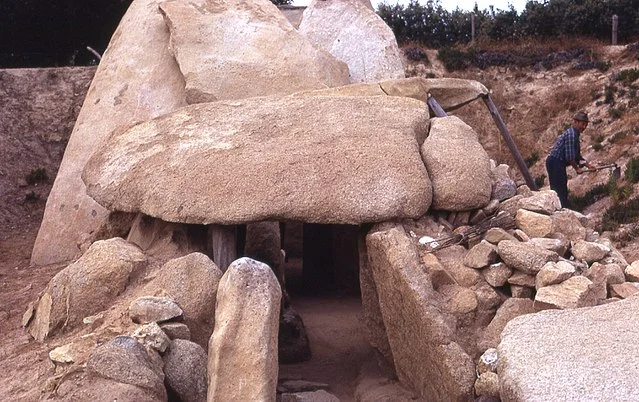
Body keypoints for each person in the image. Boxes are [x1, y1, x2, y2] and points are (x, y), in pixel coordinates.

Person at [545, 111, 595, 208]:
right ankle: (561, 210)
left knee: (561, 189)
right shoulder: (571, 135)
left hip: (557, 163)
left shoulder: (575, 135)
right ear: (575, 122)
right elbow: (570, 157)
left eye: (586, 124)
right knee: (559, 190)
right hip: (555, 162)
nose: (584, 127)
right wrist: (577, 169)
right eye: (582, 124)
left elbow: (577, 156)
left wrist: (588, 165)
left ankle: (561, 208)